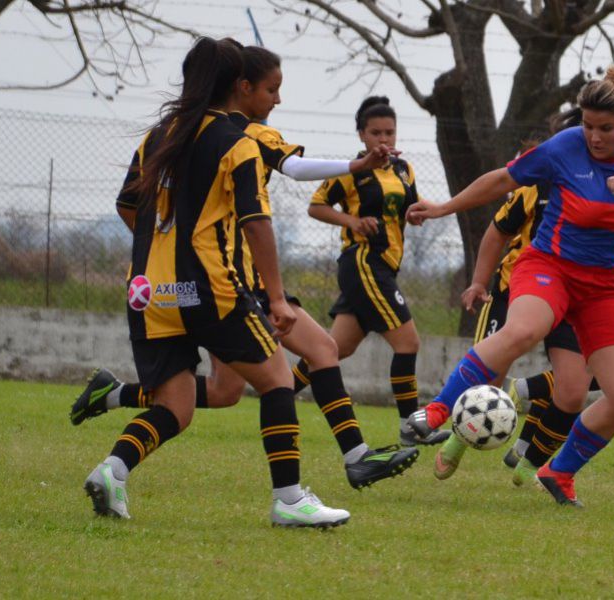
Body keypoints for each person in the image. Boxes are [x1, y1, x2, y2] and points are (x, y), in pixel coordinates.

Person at [72, 46, 419, 491]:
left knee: (223, 392)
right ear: (242, 87)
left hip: (168, 288)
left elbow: (130, 207)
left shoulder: (167, 133)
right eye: (272, 89)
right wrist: (356, 165)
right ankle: (322, 478)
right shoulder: (244, 137)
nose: (277, 99)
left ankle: (116, 402)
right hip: (230, 282)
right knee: (298, 364)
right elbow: (291, 172)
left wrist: (166, 248)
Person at [406, 66, 614, 506]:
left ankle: (560, 472)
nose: (593, 136)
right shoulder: (564, 147)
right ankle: (436, 410)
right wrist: (442, 208)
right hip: (549, 266)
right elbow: (501, 179)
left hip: (604, 287)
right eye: (588, 126)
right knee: (522, 331)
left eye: (605, 128)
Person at [296, 96, 451, 447]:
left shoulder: (403, 168)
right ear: (362, 135)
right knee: (408, 342)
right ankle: (411, 427)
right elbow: (316, 207)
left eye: (390, 133)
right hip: (363, 262)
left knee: (334, 349)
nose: (384, 140)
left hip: (385, 267)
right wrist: (352, 220)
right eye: (376, 133)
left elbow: (406, 207)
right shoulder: (353, 169)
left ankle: (278, 391)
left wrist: (416, 214)